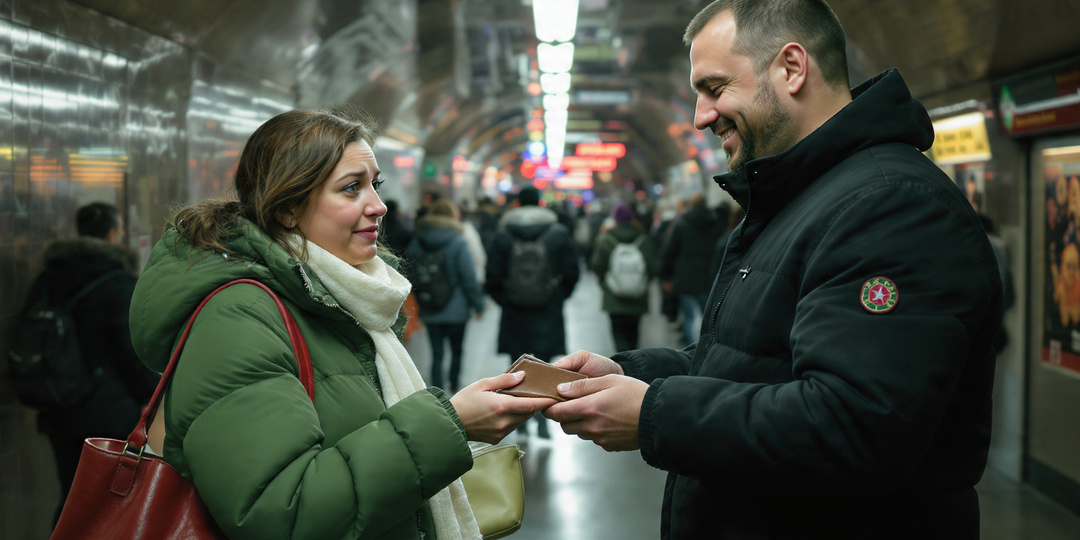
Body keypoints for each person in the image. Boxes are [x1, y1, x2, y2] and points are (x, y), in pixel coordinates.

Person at [542, 1, 1003, 538]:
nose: (700, 116)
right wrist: (635, 375)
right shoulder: (803, 197)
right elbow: (756, 359)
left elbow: (853, 427)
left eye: (714, 88)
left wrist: (654, 414)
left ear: (792, 68)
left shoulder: (891, 208)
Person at [128, 108, 554, 540]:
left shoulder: (345, 302)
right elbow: (281, 513)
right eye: (352, 188)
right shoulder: (239, 319)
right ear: (289, 209)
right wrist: (450, 425)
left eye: (375, 184)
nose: (379, 205)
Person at [29, 202, 160, 523]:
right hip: (108, 413)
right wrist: (154, 394)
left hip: (59, 406)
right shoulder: (120, 283)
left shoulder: (48, 278)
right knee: (107, 503)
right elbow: (130, 352)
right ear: (113, 233)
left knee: (71, 496)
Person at [485, 186, 580, 438]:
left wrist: (506, 299)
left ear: (517, 204)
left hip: (515, 310)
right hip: (548, 307)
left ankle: (520, 417)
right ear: (539, 203)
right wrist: (557, 295)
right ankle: (544, 419)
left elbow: (492, 276)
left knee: (519, 365)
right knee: (546, 365)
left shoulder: (504, 233)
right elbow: (572, 271)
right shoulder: (557, 232)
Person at [406, 199, 485, 392]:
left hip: (430, 306)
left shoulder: (418, 240)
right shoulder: (458, 241)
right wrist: (478, 304)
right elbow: (468, 276)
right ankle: (455, 386)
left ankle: (437, 390)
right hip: (457, 308)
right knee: (457, 350)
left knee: (437, 353)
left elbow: (410, 273)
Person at [589, 202, 661, 352]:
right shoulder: (643, 239)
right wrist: (642, 282)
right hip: (638, 297)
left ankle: (622, 365)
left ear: (614, 219)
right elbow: (654, 267)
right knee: (634, 334)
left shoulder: (606, 240)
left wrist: (606, 284)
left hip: (614, 298)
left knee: (618, 334)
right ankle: (633, 364)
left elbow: (597, 266)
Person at [659, 191, 725, 346]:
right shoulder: (717, 223)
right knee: (707, 316)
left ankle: (692, 351)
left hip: (685, 277)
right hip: (710, 276)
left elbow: (670, 252)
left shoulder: (681, 223)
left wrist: (666, 277)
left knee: (688, 316)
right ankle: (708, 346)